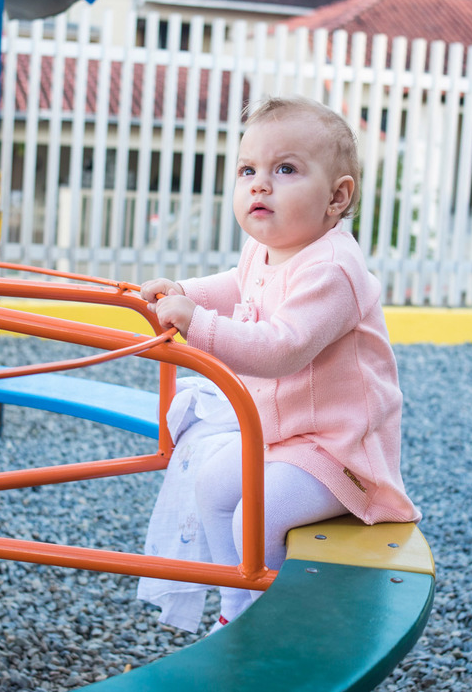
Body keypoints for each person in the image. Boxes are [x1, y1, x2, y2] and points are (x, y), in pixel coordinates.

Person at [140, 96, 420, 629]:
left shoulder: (334, 269)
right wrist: (184, 290)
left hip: (339, 449)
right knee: (212, 487)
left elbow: (281, 348)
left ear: (338, 198)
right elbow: (236, 283)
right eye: (248, 169)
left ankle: (270, 626)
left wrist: (196, 320)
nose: (259, 184)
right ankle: (235, 612)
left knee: (257, 514)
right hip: (283, 436)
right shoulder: (265, 248)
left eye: (285, 169)